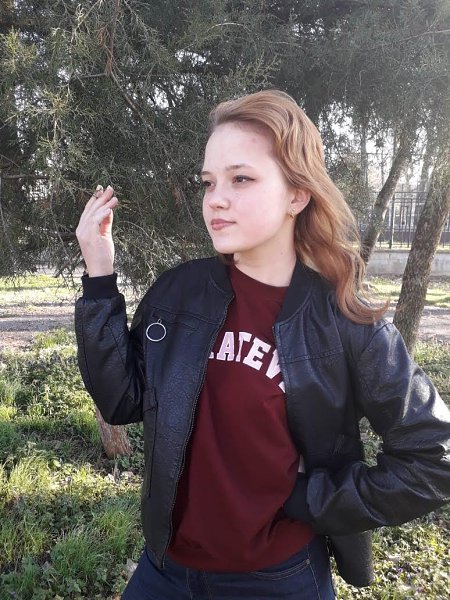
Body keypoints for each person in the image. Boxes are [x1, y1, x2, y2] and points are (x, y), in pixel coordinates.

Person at [74, 89, 450, 600]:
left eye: (241, 179)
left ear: (297, 195)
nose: (216, 199)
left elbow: (434, 458)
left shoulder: (344, 321)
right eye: (209, 182)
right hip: (164, 574)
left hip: (280, 580)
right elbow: (122, 400)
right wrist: (100, 276)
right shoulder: (178, 294)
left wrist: (308, 499)